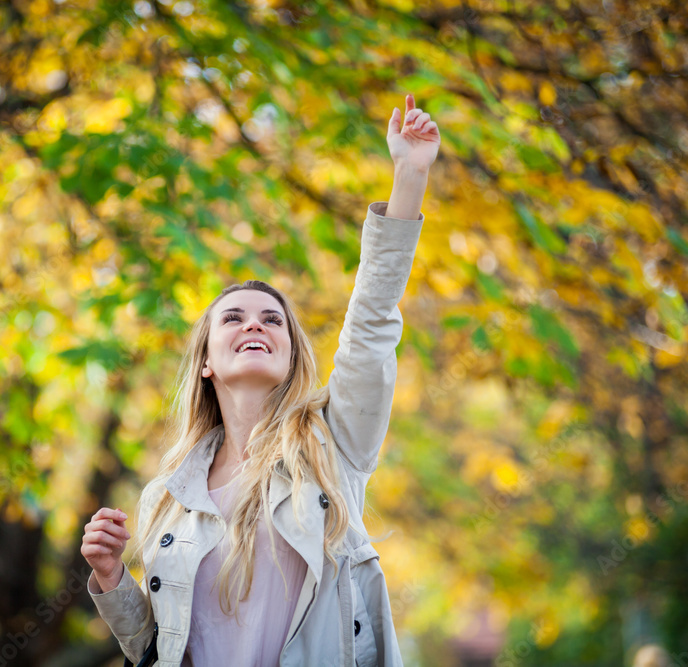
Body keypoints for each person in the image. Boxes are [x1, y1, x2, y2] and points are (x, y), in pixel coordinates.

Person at [81, 92, 440, 666]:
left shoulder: (333, 443)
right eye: (235, 317)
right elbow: (160, 646)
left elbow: (371, 323)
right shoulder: (167, 498)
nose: (256, 325)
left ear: (292, 356)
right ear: (206, 361)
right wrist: (110, 576)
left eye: (273, 320)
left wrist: (410, 174)